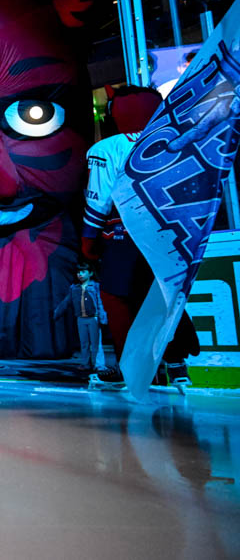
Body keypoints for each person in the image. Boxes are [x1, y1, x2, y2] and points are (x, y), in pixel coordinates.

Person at [82, 85, 200, 388]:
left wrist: (88, 238)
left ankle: (130, 367)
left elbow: (98, 199)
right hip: (171, 234)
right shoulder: (178, 141)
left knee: (117, 298)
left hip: (125, 234)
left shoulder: (106, 148)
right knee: (162, 294)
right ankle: (176, 363)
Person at [52, 262, 107, 374]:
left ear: (90, 273)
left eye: (83, 272)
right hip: (81, 319)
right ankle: (85, 363)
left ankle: (99, 365)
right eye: (78, 272)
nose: (80, 274)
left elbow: (100, 302)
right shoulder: (74, 288)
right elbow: (66, 302)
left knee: (96, 343)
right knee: (84, 343)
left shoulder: (95, 286)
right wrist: (57, 313)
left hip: (93, 318)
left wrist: (102, 317)